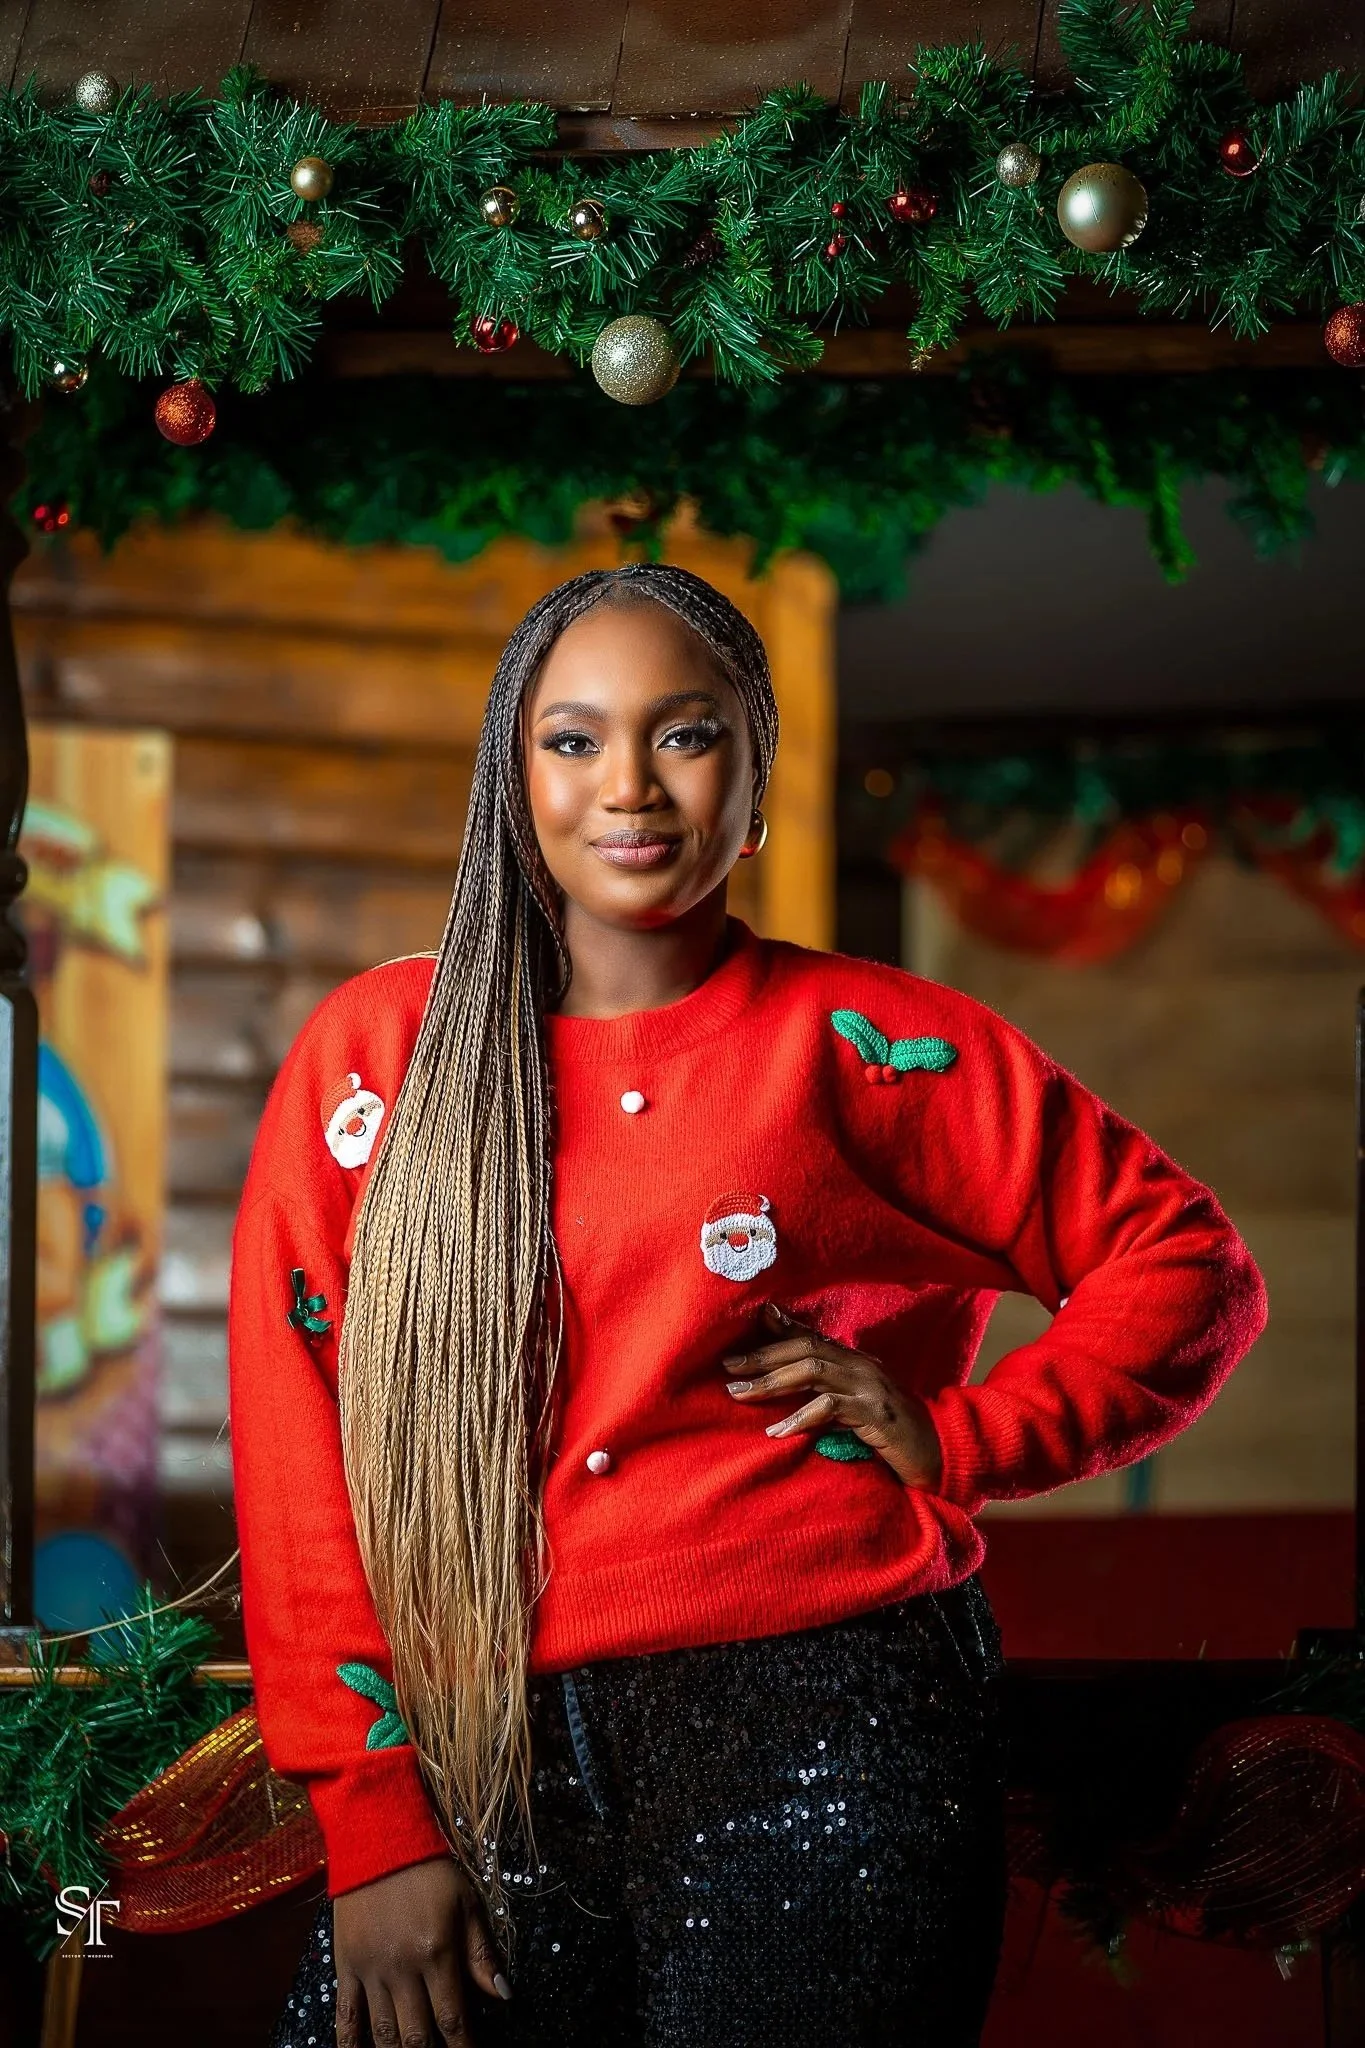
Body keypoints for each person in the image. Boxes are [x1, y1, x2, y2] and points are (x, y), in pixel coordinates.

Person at [228, 563, 1267, 2048]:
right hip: (483, 1734)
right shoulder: (375, 1063)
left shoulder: (871, 1043)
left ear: (753, 766)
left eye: (686, 733)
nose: (630, 786)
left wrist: (963, 1438)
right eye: (574, 738)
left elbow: (1188, 1265)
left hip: (824, 1714)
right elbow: (296, 1434)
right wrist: (377, 1820)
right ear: (511, 779)